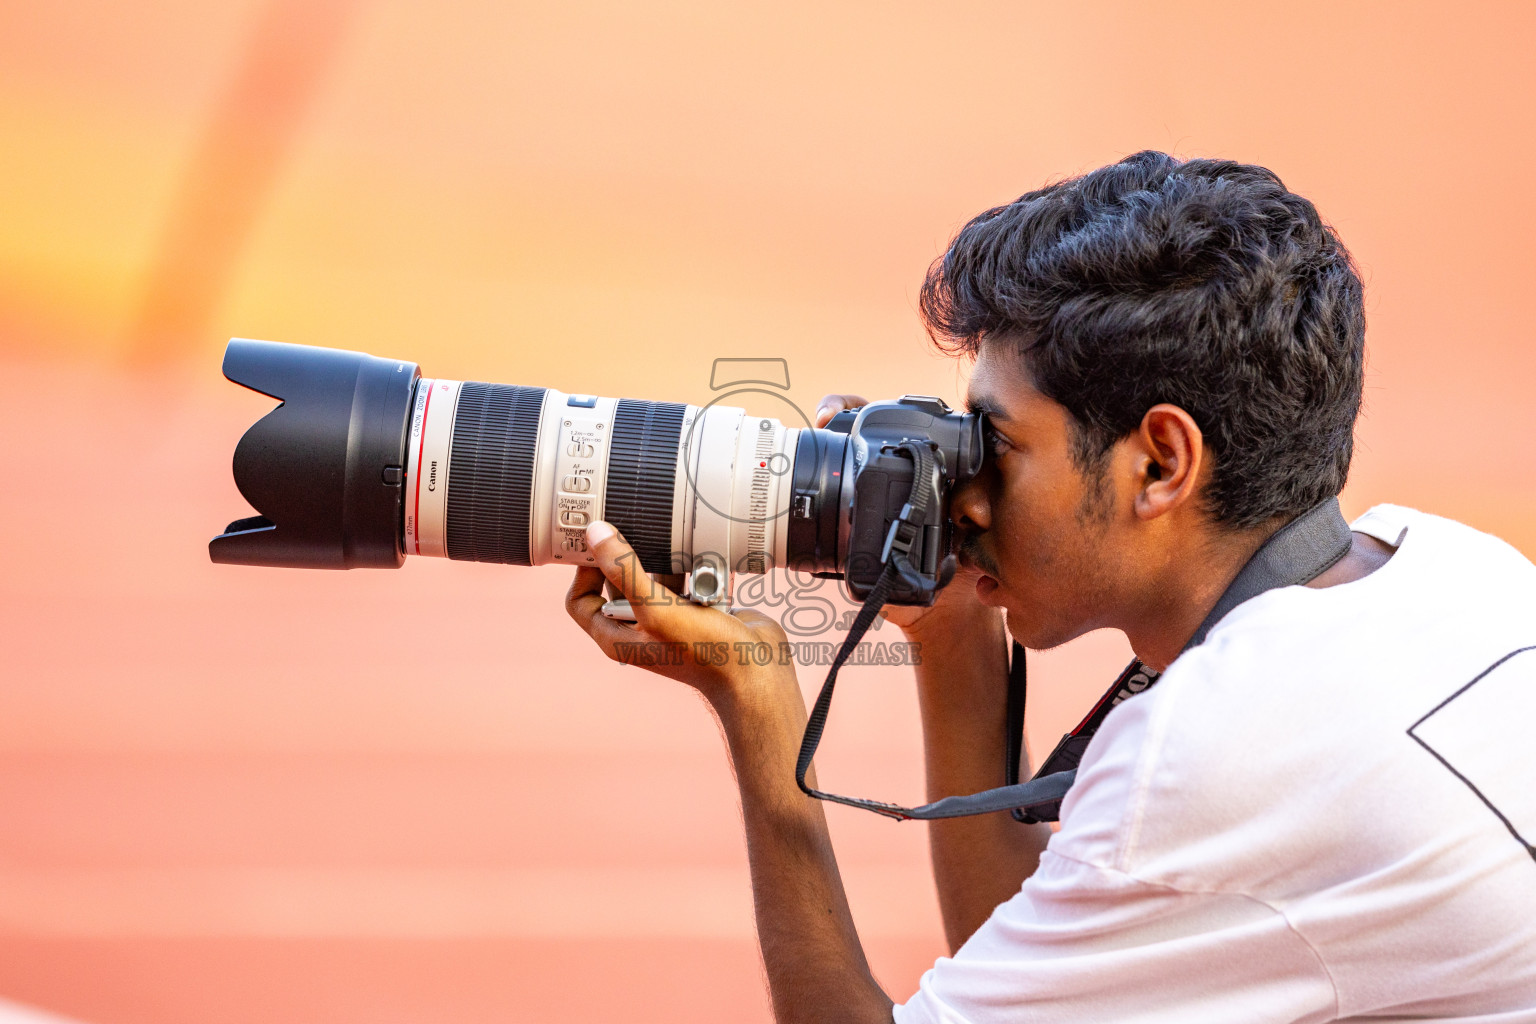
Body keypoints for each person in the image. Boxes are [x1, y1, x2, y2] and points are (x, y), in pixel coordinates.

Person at [564, 151, 1536, 1023]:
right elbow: (1062, 967)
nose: (969, 491)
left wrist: (757, 699)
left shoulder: (1220, 753)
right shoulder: (1448, 565)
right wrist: (951, 632)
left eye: (1001, 445)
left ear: (1160, 462)